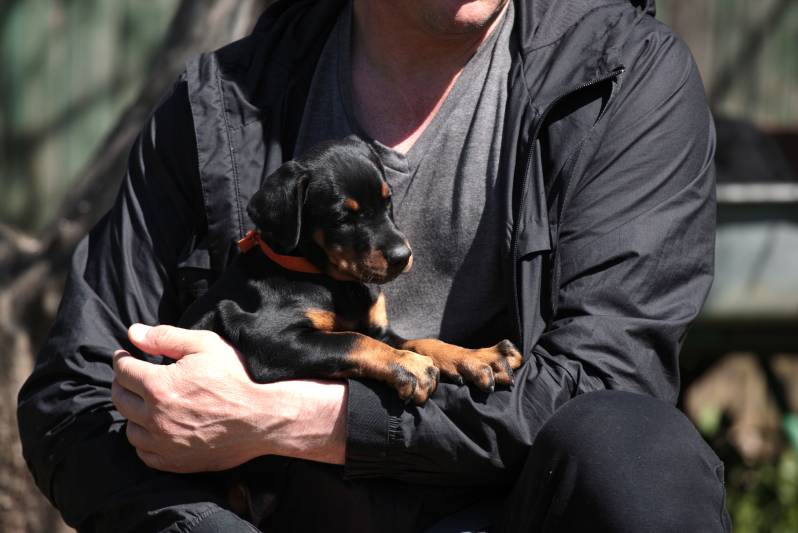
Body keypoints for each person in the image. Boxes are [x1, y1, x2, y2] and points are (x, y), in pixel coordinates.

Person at [18, 0, 731, 531]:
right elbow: (73, 396)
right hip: (272, 515)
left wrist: (284, 417)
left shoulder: (618, 78)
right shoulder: (223, 105)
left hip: (513, 508)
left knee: (638, 451)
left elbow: (605, 381)